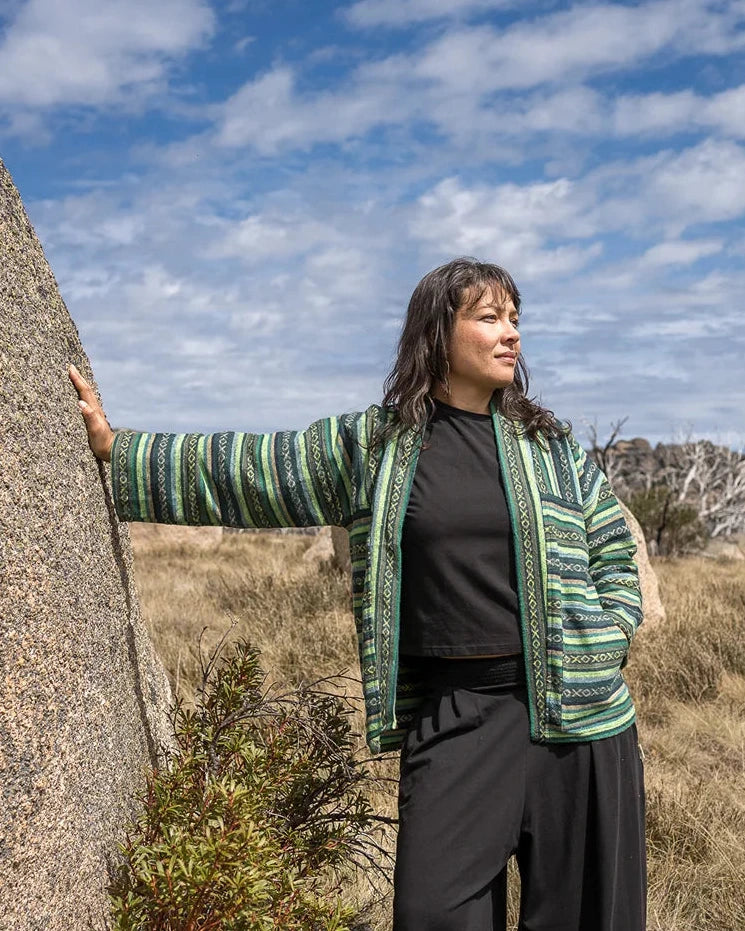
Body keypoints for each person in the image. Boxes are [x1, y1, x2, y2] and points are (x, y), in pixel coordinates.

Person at [69, 256, 646, 931]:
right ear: (438, 331)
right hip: (456, 716)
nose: (510, 334)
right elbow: (254, 471)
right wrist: (121, 449)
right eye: (489, 317)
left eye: (514, 319)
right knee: (433, 912)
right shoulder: (375, 446)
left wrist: (609, 636)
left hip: (578, 722)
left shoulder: (552, 448)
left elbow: (613, 548)